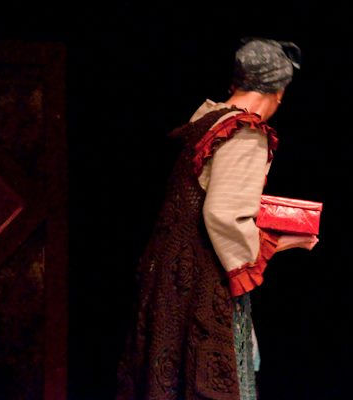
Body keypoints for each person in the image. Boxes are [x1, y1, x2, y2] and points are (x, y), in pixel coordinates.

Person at [117, 38, 316, 400]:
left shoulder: (207, 120)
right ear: (279, 91)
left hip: (169, 277)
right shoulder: (245, 131)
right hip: (201, 284)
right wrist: (280, 242)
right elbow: (224, 216)